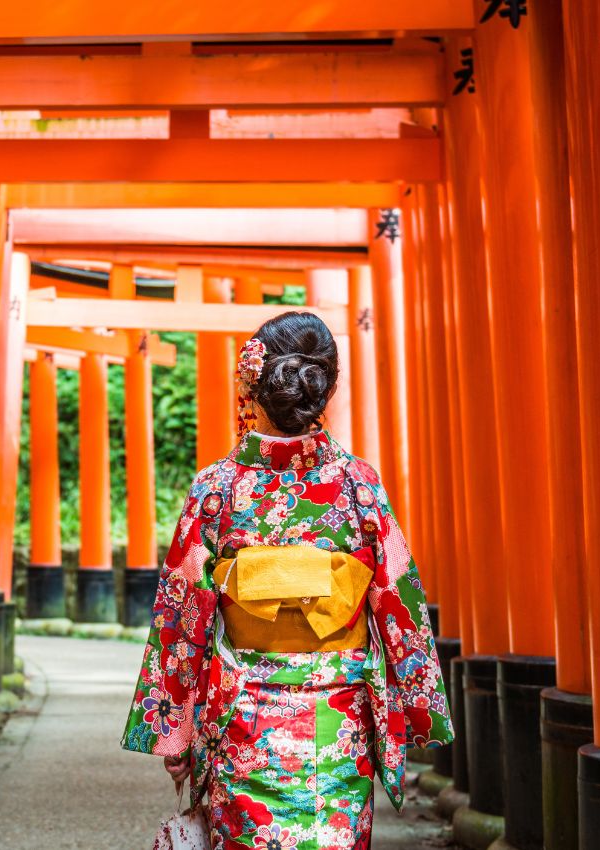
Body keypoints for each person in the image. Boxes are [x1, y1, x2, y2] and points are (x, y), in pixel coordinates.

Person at [121, 311, 453, 849]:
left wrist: (175, 733)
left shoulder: (218, 488)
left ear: (251, 386)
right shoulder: (357, 486)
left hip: (243, 719)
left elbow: (183, 614)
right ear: (327, 386)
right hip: (337, 720)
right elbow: (399, 603)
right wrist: (417, 709)